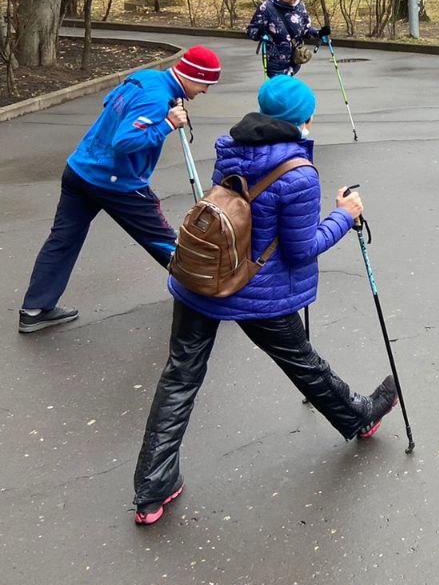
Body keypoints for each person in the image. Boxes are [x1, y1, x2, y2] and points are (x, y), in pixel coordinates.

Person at [132, 75, 396, 526]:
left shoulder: (228, 148)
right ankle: (359, 417)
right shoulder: (298, 174)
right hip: (258, 290)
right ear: (304, 120)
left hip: (202, 277)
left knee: (180, 377)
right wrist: (344, 215)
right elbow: (300, 248)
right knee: (302, 361)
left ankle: (152, 491)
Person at [18, 46, 222, 334]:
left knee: (62, 239)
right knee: (163, 240)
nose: (206, 91)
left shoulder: (145, 77)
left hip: (80, 168)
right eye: (205, 83)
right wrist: (167, 123)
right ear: (192, 76)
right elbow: (124, 141)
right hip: (116, 182)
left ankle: (34, 309)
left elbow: (109, 102)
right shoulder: (156, 99)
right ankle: (209, 293)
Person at [246, 0, 329, 77]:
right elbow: (251, 31)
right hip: (275, 61)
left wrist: (319, 33)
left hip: (295, 59)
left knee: (288, 89)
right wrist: (260, 33)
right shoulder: (267, 7)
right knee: (280, 90)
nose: (293, 1)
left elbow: (305, 30)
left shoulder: (300, 7)